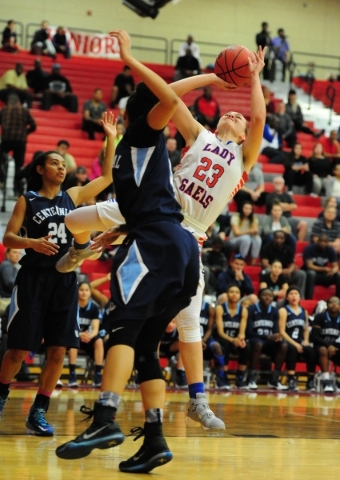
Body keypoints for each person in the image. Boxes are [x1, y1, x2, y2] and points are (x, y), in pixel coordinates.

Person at [55, 39, 267, 442]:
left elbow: (258, 120)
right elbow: (172, 99)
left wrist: (253, 77)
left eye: (239, 118)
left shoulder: (243, 159)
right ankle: (79, 250)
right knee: (72, 219)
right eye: (232, 110)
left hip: (188, 232)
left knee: (189, 320)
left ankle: (198, 399)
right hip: (154, 206)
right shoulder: (199, 135)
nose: (236, 113)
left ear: (242, 136)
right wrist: (216, 77)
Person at [55, 29, 200, 473]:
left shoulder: (136, 140)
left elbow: (170, 101)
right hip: (178, 246)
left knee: (120, 327)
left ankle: (104, 418)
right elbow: (169, 105)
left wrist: (129, 57)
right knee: (145, 348)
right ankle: (155, 439)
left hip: (155, 243)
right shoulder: (136, 145)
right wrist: (116, 237)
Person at [0, 111, 116, 436]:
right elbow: (8, 238)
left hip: (65, 280)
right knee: (19, 349)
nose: (61, 167)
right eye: (54, 163)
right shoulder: (28, 199)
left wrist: (110, 135)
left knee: (59, 350)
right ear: (40, 169)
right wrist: (32, 243)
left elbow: (106, 178)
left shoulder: (74, 196)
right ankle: (1, 394)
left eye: (63, 163)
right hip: (34, 277)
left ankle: (38, 411)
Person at [246, 288, 288, 390]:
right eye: (265, 295)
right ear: (259, 296)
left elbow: (275, 331)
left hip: (268, 342)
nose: (267, 297)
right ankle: (250, 377)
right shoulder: (251, 309)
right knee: (258, 344)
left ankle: (274, 379)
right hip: (254, 341)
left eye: (270, 295)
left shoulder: (274, 311)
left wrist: (276, 336)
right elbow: (249, 332)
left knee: (283, 345)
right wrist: (267, 337)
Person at [278, 287, 316, 391]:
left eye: (296, 294)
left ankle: (310, 380)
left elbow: (305, 329)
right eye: (291, 294)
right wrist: (295, 344)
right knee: (292, 349)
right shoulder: (283, 310)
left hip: (299, 341)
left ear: (300, 297)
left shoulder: (304, 311)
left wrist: (306, 341)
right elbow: (282, 331)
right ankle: (291, 379)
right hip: (287, 340)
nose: (293, 296)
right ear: (287, 297)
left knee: (311, 351)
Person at [68, 282, 104, 388]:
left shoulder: (94, 307)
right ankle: (72, 374)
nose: (84, 293)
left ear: (90, 292)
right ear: (77, 291)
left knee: (99, 341)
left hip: (88, 338)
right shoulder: (72, 306)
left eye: (87, 290)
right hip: (75, 335)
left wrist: (89, 336)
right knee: (73, 340)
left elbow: (96, 329)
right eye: (81, 290)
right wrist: (79, 334)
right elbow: (68, 326)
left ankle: (98, 374)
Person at [0, 93, 36, 196]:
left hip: (6, 140)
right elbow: (33, 125)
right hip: (20, 141)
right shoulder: (24, 110)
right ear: (18, 101)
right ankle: (17, 192)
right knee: (18, 166)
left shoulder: (4, 110)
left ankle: (1, 180)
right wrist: (26, 133)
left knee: (1, 158)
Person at [215, 283, 249, 389]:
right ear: (227, 294)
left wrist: (240, 339)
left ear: (240, 295)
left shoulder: (243, 310)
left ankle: (240, 376)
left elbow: (242, 332)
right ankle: (223, 376)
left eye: (237, 292)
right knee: (225, 344)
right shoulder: (220, 308)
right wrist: (232, 340)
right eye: (231, 292)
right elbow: (220, 332)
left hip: (236, 340)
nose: (234, 294)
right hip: (223, 339)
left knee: (246, 347)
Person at [260, 230, 306, 296]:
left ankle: (300, 297)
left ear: (284, 239)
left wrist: (290, 270)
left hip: (285, 273)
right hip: (272, 272)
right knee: (266, 271)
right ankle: (267, 294)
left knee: (301, 274)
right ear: (273, 238)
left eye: (281, 238)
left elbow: (292, 264)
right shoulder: (267, 247)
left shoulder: (288, 249)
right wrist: (278, 270)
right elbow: (265, 263)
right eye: (277, 238)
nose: (279, 240)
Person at [311, 296, 340, 394]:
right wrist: (328, 346)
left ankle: (337, 381)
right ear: (327, 305)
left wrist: (335, 346)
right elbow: (314, 336)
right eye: (331, 302)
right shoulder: (320, 316)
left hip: (336, 346)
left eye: (337, 303)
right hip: (320, 345)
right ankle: (326, 380)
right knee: (323, 350)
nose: (334, 305)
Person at [266, 176, 308, 241]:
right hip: (275, 219)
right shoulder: (270, 196)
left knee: (303, 224)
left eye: (280, 183)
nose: (278, 184)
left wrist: (281, 206)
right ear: (273, 184)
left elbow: (294, 206)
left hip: (288, 219)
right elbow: (276, 206)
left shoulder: (287, 195)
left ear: (283, 185)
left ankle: (299, 244)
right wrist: (287, 205)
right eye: (276, 183)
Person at [303, 234, 340, 299]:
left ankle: (337, 299)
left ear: (328, 243)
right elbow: (309, 266)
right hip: (311, 274)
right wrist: (324, 269)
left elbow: (335, 266)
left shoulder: (330, 250)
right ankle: (308, 299)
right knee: (312, 273)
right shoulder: (309, 249)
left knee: (338, 275)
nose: (323, 244)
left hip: (324, 275)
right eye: (321, 241)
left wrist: (333, 271)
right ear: (317, 241)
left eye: (325, 242)